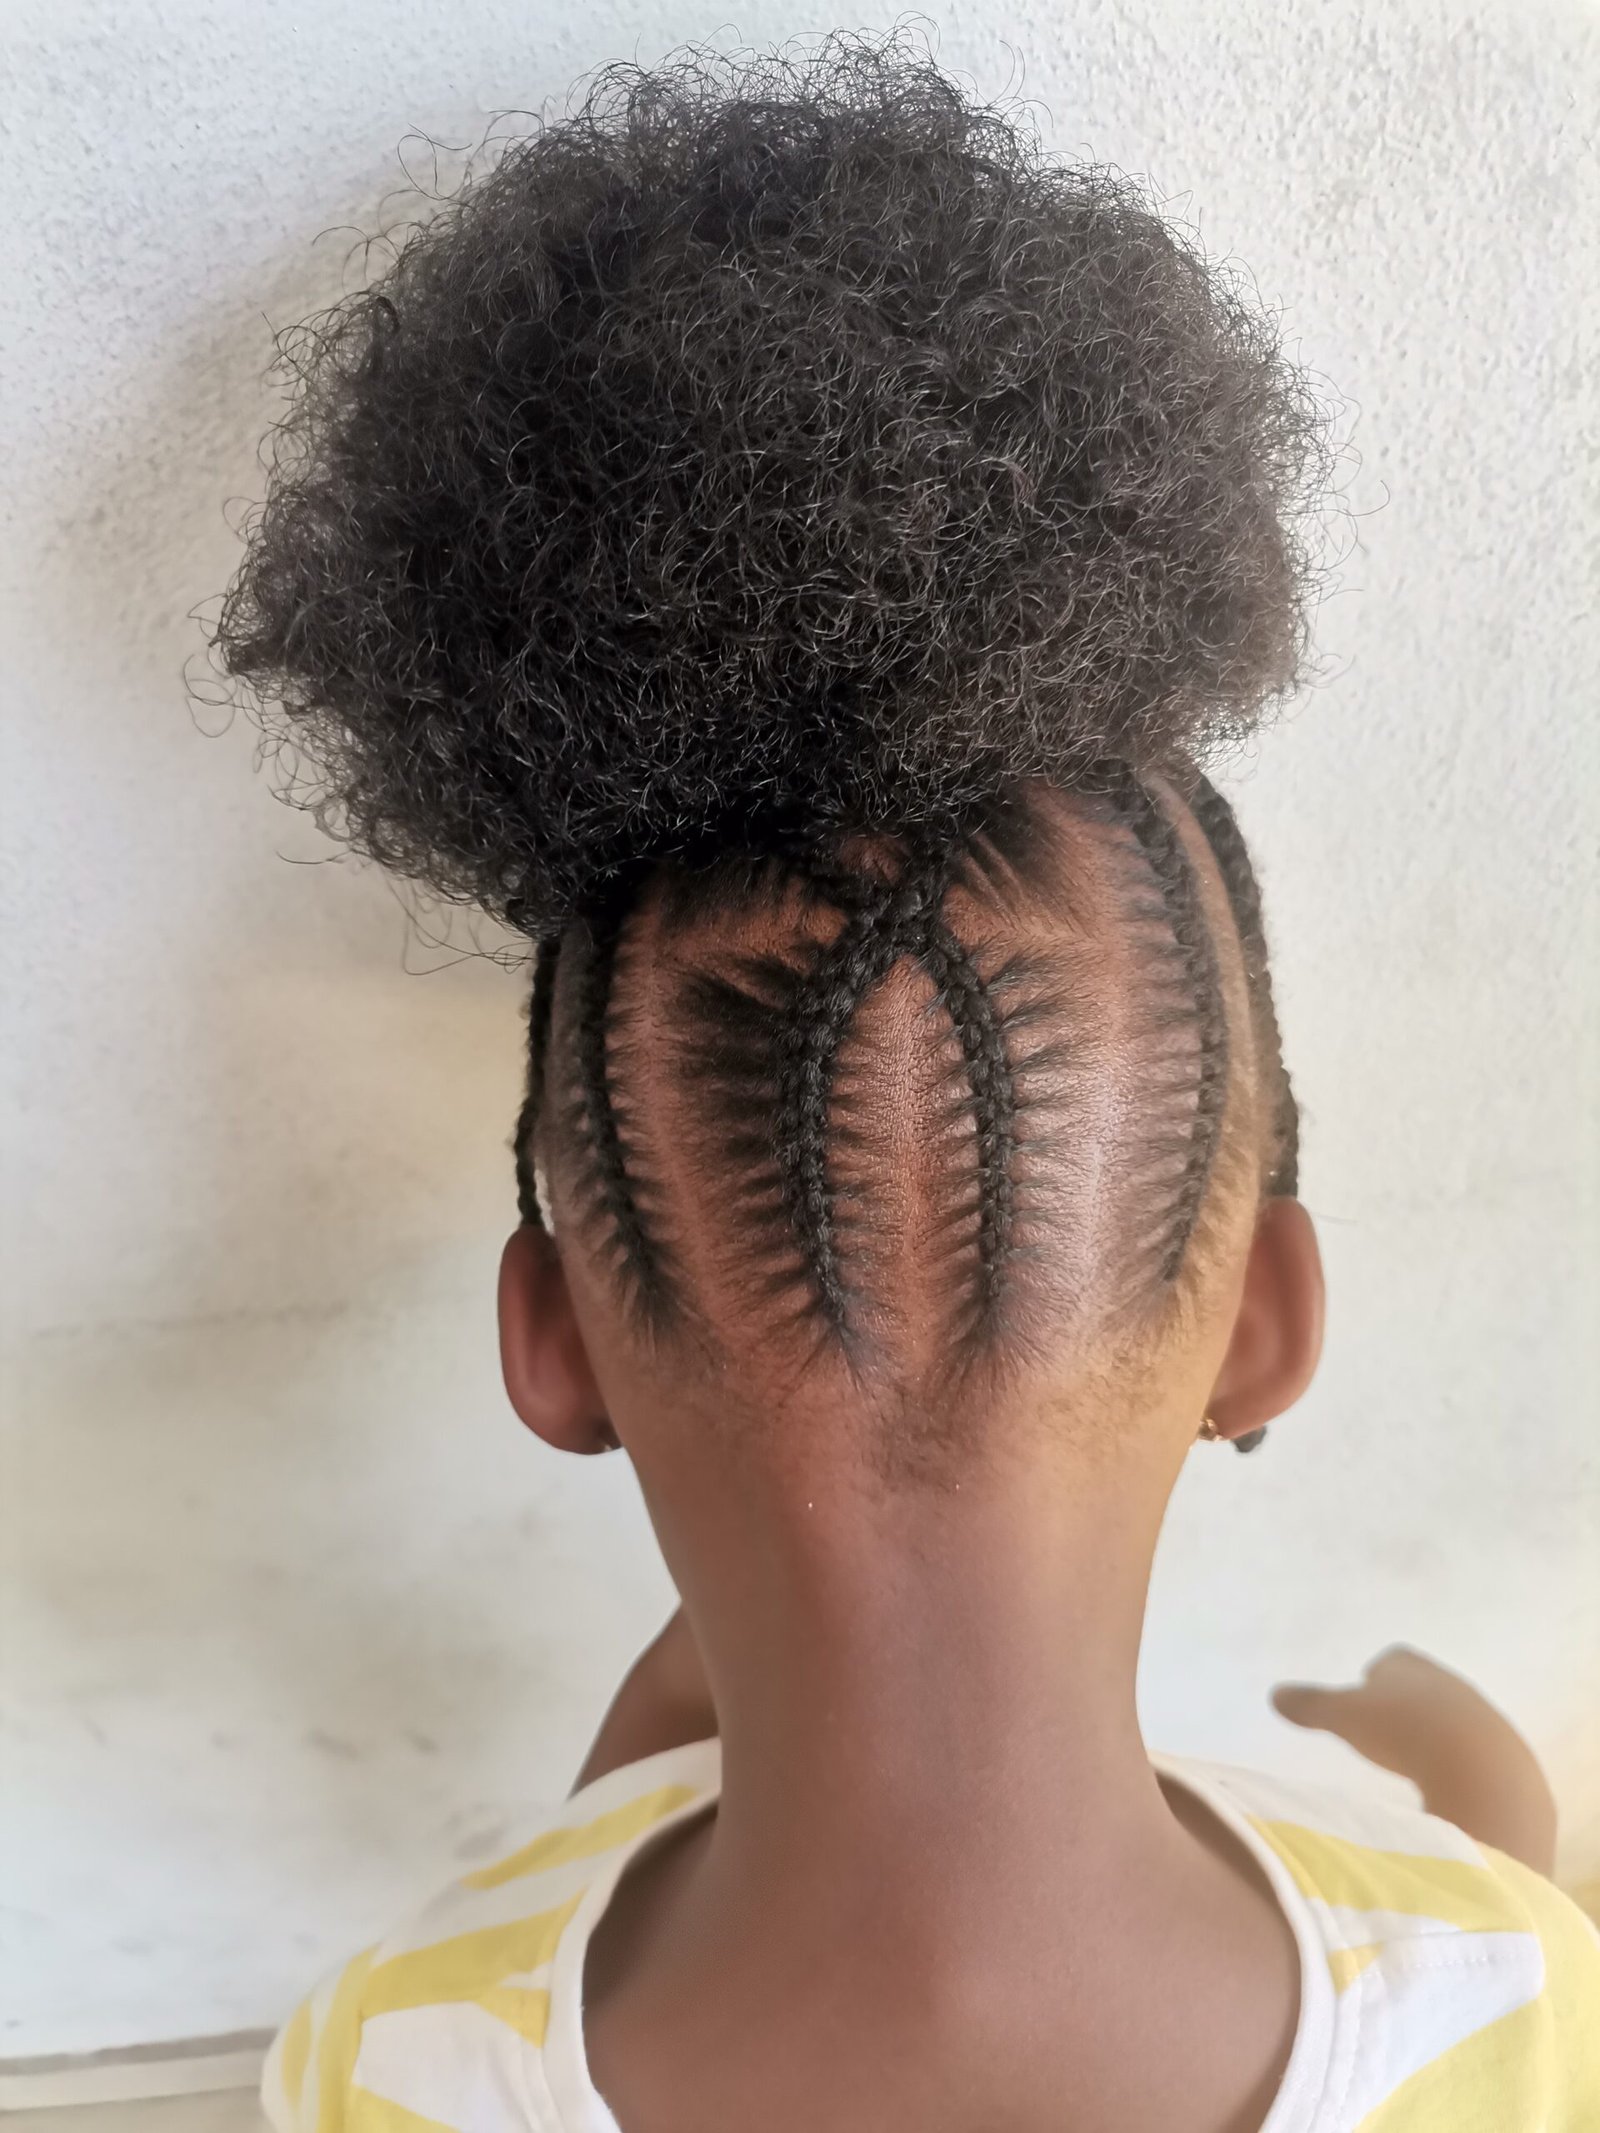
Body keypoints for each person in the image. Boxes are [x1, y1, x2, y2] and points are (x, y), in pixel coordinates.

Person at [215, 36, 1599, 2133]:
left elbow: (557, 1907)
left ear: (552, 1345)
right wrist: (1494, 1812)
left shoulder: (372, 2055)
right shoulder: (1525, 2010)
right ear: (1266, 1317)